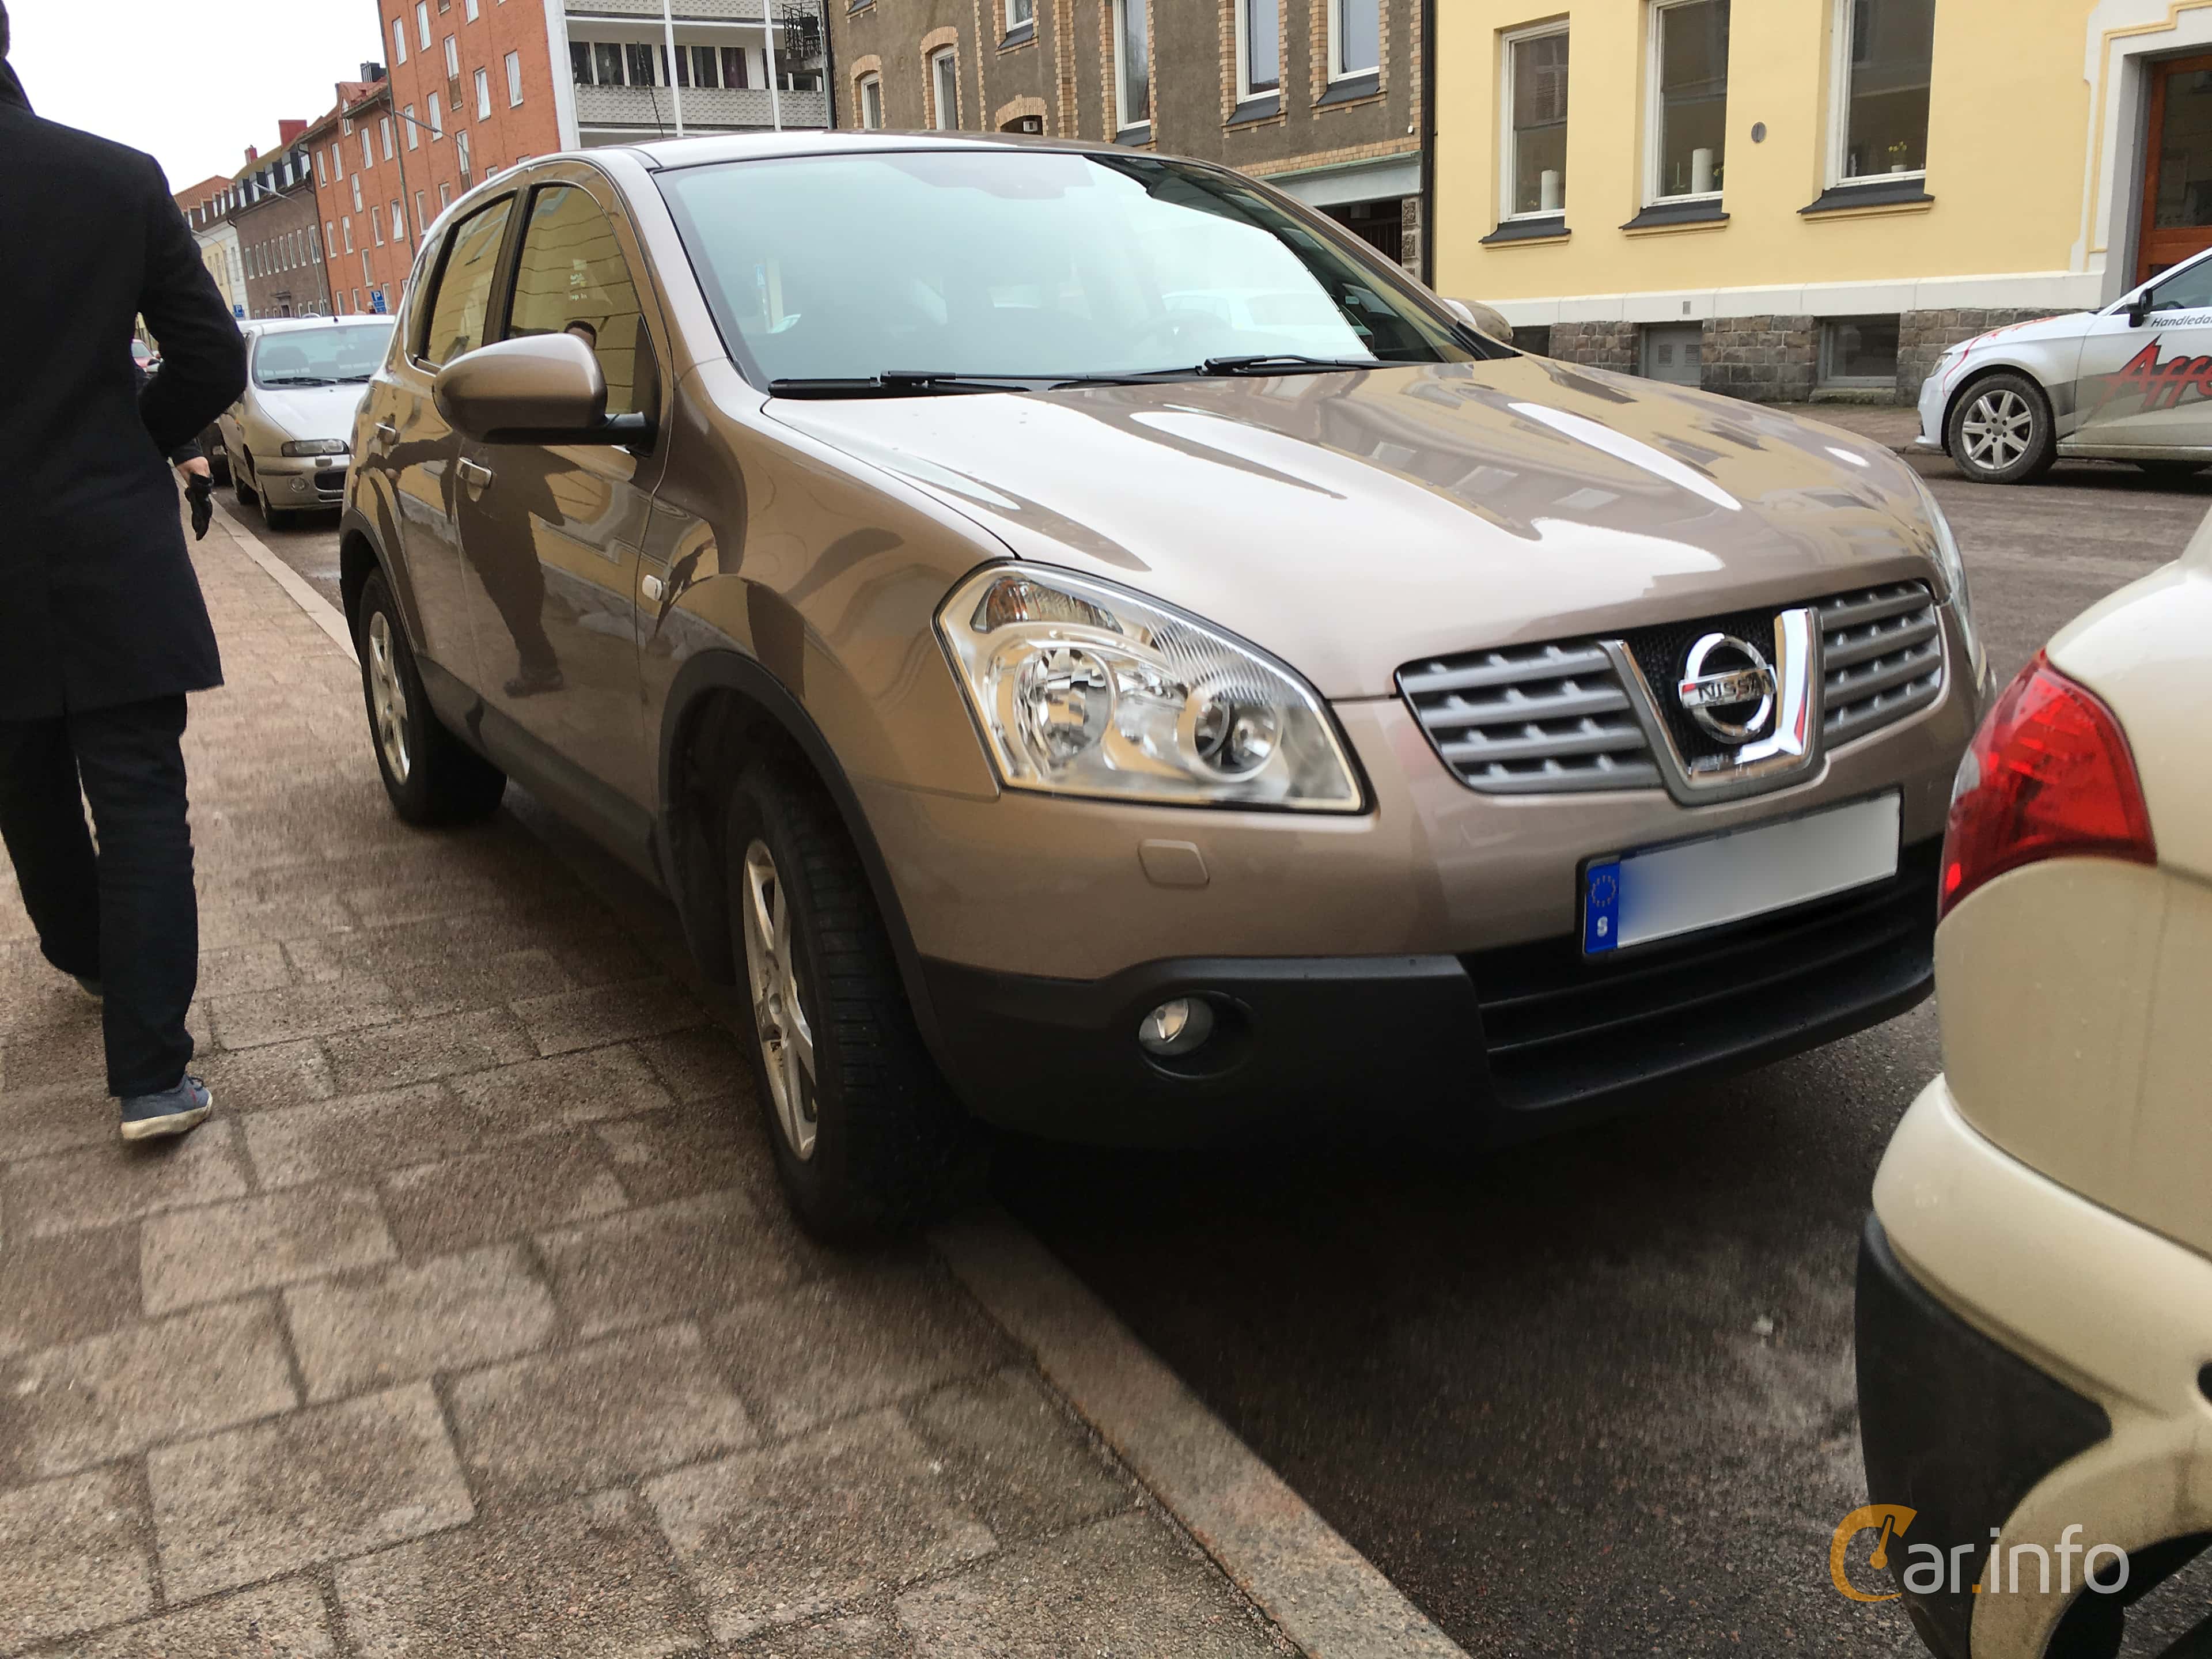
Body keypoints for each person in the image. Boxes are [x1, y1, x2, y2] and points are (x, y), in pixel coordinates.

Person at [0, 4, 248, 1141]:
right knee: (142, 796)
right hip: (109, 536)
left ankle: (92, 957)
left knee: (25, 783)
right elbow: (211, 355)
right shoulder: (113, 177)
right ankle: (151, 1074)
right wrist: (131, 440)